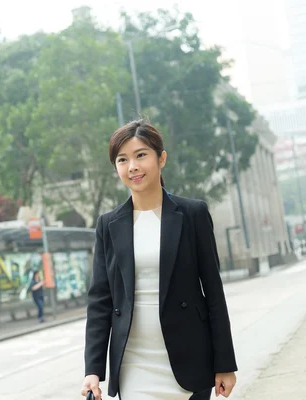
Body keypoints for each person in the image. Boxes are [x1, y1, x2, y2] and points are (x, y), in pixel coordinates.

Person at [81, 120, 237, 400]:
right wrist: (93, 369)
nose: (133, 167)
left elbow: (213, 291)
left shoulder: (192, 214)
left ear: (161, 158)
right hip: (134, 361)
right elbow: (100, 300)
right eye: (122, 159)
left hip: (188, 356)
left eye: (141, 155)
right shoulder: (108, 225)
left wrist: (225, 363)